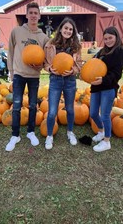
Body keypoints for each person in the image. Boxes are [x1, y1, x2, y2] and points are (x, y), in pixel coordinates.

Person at [5, 2, 49, 152]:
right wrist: (10, 70)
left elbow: (46, 58)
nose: (33, 15)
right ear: (26, 15)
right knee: (16, 106)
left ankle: (30, 132)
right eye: (31, 13)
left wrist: (41, 66)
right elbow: (10, 51)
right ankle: (15, 135)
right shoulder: (16, 31)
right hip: (18, 74)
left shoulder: (43, 37)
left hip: (34, 77)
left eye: (36, 13)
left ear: (39, 16)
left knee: (32, 105)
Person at [43, 17, 83, 150]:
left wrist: (73, 71)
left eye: (70, 29)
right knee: (52, 111)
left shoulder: (76, 46)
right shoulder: (50, 44)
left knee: (70, 109)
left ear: (73, 31)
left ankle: (70, 132)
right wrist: (49, 68)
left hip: (70, 81)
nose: (68, 31)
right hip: (55, 79)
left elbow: (79, 64)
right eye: (66, 28)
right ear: (60, 29)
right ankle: (49, 135)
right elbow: (45, 62)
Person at [89, 26, 123, 152]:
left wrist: (103, 80)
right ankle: (101, 131)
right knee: (93, 113)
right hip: (96, 87)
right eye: (105, 38)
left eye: (110, 38)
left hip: (108, 87)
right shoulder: (102, 52)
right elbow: (93, 64)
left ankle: (106, 141)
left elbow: (117, 73)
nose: (108, 41)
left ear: (116, 37)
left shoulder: (120, 51)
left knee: (105, 115)